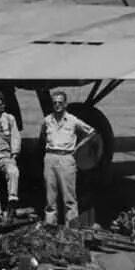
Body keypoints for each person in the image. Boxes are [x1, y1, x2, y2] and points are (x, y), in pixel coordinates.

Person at [40, 90, 95, 227]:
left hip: (66, 158)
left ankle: (72, 230)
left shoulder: (72, 120)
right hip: (50, 157)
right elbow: (42, 137)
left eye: (60, 103)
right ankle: (50, 228)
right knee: (50, 198)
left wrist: (77, 148)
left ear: (65, 104)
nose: (57, 105)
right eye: (54, 103)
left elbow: (91, 132)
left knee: (69, 198)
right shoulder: (47, 120)